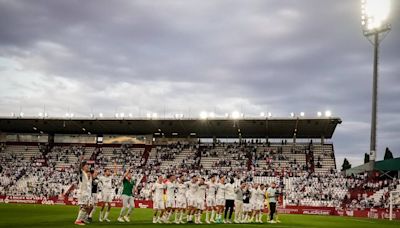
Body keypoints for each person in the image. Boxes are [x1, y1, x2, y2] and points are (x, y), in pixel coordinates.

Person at [74, 161, 92, 225]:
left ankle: (82, 219)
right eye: (86, 166)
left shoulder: (86, 175)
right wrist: (80, 162)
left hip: (86, 194)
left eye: (88, 166)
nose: (88, 167)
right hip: (82, 193)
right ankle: (78, 220)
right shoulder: (82, 173)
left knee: (87, 207)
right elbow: (79, 170)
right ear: (83, 167)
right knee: (84, 206)